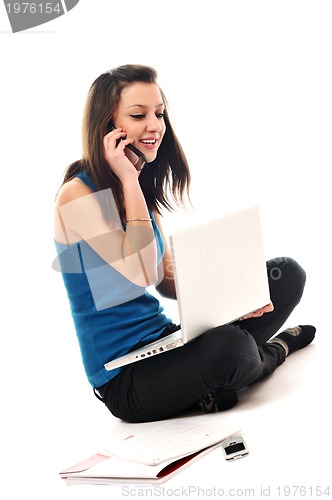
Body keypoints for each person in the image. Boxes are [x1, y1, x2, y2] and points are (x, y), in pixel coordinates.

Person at [53, 64, 316, 423]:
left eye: (159, 114)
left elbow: (165, 280)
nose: (155, 125)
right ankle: (274, 351)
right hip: (124, 378)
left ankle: (216, 383)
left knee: (286, 274)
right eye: (138, 115)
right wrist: (129, 179)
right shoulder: (77, 195)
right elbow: (142, 271)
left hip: (165, 342)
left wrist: (240, 294)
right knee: (234, 349)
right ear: (107, 126)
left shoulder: (140, 188)